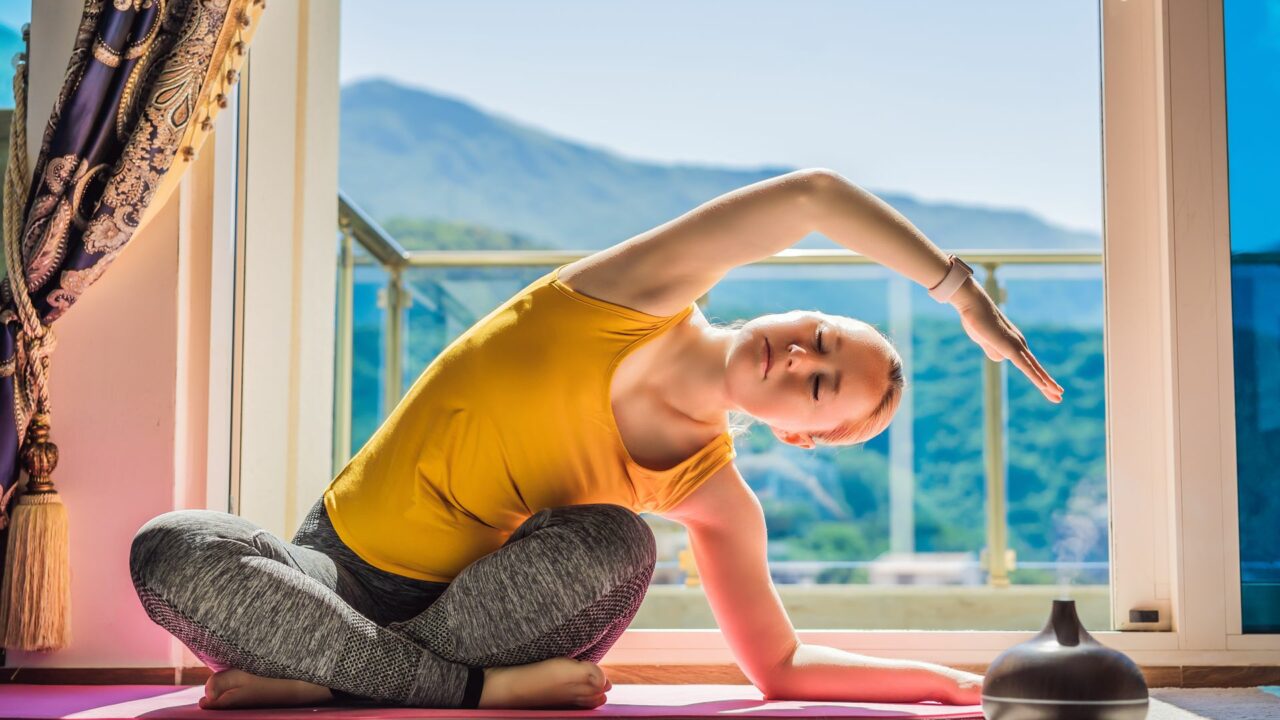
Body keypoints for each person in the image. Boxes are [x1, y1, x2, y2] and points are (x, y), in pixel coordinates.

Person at [129, 168, 1063, 711]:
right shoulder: (635, 292)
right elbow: (814, 195)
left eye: (822, 385)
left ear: (802, 435)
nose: (800, 356)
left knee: (622, 543)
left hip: (484, 614)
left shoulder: (715, 494)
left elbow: (778, 667)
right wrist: (959, 291)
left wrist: (947, 683)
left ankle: (327, 680)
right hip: (331, 574)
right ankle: (451, 694)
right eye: (820, 332)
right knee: (171, 547)